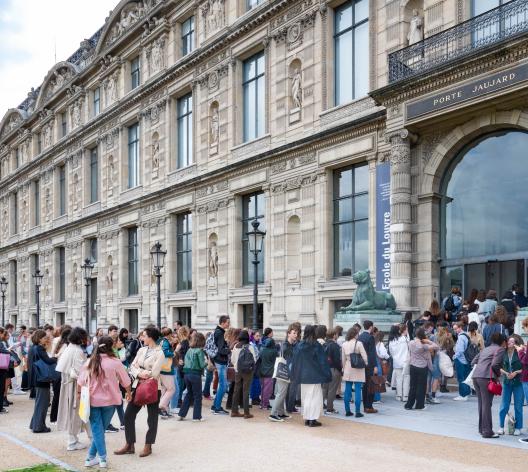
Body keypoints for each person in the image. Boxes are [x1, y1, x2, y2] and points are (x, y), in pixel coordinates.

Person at [78, 336, 131, 468]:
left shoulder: (89, 362)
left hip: (92, 400)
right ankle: (102, 459)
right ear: (111, 346)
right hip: (111, 400)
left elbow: (80, 382)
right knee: (99, 430)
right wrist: (129, 393)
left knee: (98, 430)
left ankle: (91, 458)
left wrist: (79, 395)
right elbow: (126, 381)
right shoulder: (115, 362)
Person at [115, 327, 164, 458]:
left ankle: (148, 445)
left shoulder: (160, 353)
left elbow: (154, 373)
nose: (142, 338)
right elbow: (132, 366)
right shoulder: (141, 350)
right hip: (137, 385)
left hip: (153, 387)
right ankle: (129, 444)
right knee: (128, 415)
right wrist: (140, 373)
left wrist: (142, 372)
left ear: (151, 337)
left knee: (152, 418)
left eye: (144, 336)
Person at [56, 327, 90, 451]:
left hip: (68, 384)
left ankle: (75, 440)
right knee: (76, 412)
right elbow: (80, 372)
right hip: (75, 386)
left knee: (75, 412)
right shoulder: (77, 351)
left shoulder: (68, 348)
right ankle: (73, 442)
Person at [292, 325, 331, 427]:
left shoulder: (300, 345)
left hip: (304, 375)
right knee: (315, 398)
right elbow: (322, 361)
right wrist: (326, 373)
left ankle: (307, 418)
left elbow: (296, 361)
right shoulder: (316, 345)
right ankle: (312, 419)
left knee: (306, 398)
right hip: (314, 375)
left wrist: (296, 374)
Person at [471, 333, 506, 438]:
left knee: (482, 404)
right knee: (486, 405)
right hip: (486, 378)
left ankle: (482, 429)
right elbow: (495, 364)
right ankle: (487, 431)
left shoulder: (485, 349)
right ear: (502, 341)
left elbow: (473, 362)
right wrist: (498, 374)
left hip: (476, 376)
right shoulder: (500, 350)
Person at [29, 329, 57, 433]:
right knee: (43, 403)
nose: (46, 339)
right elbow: (48, 361)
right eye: (44, 337)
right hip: (42, 378)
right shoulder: (40, 348)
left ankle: (35, 424)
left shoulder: (34, 347)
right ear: (40, 339)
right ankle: (39, 427)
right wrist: (56, 358)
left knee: (39, 403)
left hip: (38, 378)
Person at [404, 328, 438, 411]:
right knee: (421, 387)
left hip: (413, 366)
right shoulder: (424, 346)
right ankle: (419, 405)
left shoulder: (411, 343)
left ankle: (409, 404)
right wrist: (428, 341)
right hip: (422, 367)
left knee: (412, 386)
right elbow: (436, 346)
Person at [497, 336, 523, 436]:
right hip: (507, 382)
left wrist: (515, 372)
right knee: (504, 405)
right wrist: (506, 373)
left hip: (518, 382)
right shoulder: (503, 352)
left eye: (512, 342)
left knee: (518, 406)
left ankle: (518, 427)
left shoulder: (520, 352)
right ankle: (501, 427)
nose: (509, 343)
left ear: (516, 343)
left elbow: (524, 368)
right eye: (509, 341)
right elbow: (498, 366)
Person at [178, 332, 206, 421]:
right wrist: (207, 363)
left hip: (187, 374)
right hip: (195, 374)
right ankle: (197, 417)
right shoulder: (199, 351)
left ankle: (181, 414)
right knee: (198, 396)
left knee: (189, 394)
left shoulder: (189, 350)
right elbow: (201, 365)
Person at [230, 330, 258, 419]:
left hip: (238, 371)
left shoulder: (235, 346)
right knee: (246, 391)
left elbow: (232, 360)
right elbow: (254, 359)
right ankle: (246, 413)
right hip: (248, 372)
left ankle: (234, 411)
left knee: (236, 390)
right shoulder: (250, 347)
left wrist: (236, 366)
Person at [341, 326, 368, 418]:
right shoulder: (359, 343)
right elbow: (364, 357)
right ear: (355, 334)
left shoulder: (344, 344)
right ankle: (357, 411)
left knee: (347, 390)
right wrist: (366, 364)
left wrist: (343, 368)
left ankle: (347, 410)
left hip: (348, 366)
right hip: (358, 368)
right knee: (357, 390)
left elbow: (343, 359)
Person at [211, 315, 231, 415]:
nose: (229, 324)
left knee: (222, 385)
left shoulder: (218, 331)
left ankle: (215, 405)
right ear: (222, 322)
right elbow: (221, 350)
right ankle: (217, 408)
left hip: (219, 360)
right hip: (221, 361)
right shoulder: (220, 333)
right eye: (228, 322)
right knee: (223, 385)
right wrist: (230, 349)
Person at [358, 320, 377, 414]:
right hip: (369, 365)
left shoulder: (360, 336)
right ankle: (369, 406)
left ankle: (365, 405)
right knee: (370, 386)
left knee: (365, 386)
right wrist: (375, 366)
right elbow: (372, 353)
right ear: (371, 327)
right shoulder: (370, 337)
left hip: (361, 364)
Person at [322, 328, 342, 415]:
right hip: (334, 369)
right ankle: (330, 408)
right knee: (332, 389)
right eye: (336, 334)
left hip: (325, 368)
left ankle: (320, 405)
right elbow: (337, 360)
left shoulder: (324, 344)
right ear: (334, 335)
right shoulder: (335, 346)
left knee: (324, 388)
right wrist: (340, 370)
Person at [389, 324, 410, 402]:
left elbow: (391, 353)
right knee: (406, 378)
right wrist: (407, 333)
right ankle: (405, 396)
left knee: (398, 379)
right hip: (405, 361)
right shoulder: (404, 338)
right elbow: (409, 345)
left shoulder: (392, 341)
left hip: (396, 361)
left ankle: (398, 395)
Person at [158, 327, 175, 419]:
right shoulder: (165, 342)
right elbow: (165, 352)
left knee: (164, 390)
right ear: (168, 334)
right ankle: (161, 406)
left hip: (162, 368)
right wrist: (173, 354)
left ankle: (164, 411)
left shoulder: (161, 341)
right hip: (166, 369)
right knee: (171, 389)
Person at [452, 322, 471, 401]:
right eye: (454, 329)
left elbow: (460, 350)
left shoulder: (460, 337)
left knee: (461, 378)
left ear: (460, 327)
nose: (455, 330)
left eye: (456, 328)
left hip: (460, 360)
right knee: (466, 377)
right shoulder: (466, 335)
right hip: (466, 359)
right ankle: (466, 393)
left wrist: (454, 357)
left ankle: (463, 395)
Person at [284, 323, 300, 414]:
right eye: (294, 333)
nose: (296, 335)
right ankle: (289, 407)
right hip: (289, 370)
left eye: (296, 333)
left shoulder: (294, 344)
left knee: (291, 389)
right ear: (288, 333)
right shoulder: (286, 345)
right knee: (290, 389)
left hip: (293, 369)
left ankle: (290, 407)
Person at [259, 336, 277, 410]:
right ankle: (264, 404)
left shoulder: (262, 350)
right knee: (268, 389)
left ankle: (263, 403)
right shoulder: (274, 351)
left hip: (262, 371)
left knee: (263, 388)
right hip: (270, 372)